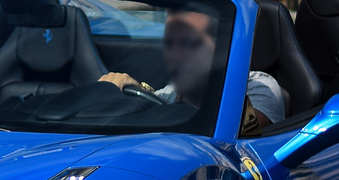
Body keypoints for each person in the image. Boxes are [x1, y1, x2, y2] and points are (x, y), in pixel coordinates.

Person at [97, 7, 284, 134]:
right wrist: (133, 91)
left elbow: (242, 132)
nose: (176, 55)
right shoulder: (171, 93)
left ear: (220, 47)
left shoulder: (258, 86)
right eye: (170, 45)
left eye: (190, 43)